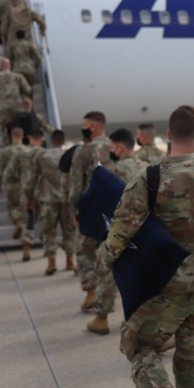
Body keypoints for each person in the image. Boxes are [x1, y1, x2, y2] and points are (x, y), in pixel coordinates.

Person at [100, 105, 194, 388]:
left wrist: (104, 260)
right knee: (190, 358)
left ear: (169, 135)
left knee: (142, 351)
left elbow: (120, 234)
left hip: (160, 290)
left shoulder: (149, 178)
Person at [86, 128, 147, 335]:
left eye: (111, 146)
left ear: (119, 147)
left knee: (106, 271)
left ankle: (101, 317)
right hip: (145, 232)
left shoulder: (113, 171)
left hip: (120, 232)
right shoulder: (149, 168)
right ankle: (142, 322)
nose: (110, 150)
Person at [69, 111, 112, 312]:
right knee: (111, 253)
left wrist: (74, 211)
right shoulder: (115, 147)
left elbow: (76, 185)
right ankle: (109, 297)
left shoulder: (84, 151)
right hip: (115, 211)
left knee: (84, 251)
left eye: (84, 124)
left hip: (92, 212)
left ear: (93, 127)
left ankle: (92, 293)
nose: (83, 128)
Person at [24, 130, 77, 275]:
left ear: (52, 141)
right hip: (66, 200)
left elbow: (32, 178)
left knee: (49, 232)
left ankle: (51, 262)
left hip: (48, 200)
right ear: (63, 140)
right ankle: (70, 260)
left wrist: (29, 198)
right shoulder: (70, 156)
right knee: (69, 231)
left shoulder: (42, 156)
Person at [6, 129, 45, 261]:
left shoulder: (20, 153)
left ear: (29, 138)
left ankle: (27, 248)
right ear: (42, 139)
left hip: (27, 191)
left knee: (29, 219)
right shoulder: (44, 154)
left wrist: (21, 179)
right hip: (43, 192)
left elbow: (10, 171)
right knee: (45, 220)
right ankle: (48, 249)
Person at [0, 127, 29, 239]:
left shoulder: (5, 152)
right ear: (22, 137)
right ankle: (26, 241)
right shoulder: (28, 151)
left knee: (12, 206)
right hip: (25, 185)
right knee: (24, 209)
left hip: (10, 185)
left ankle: (18, 222)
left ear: (11, 137)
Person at [0, 57, 31, 145]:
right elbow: (28, 90)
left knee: (4, 128)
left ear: (1, 66)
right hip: (17, 105)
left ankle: (7, 147)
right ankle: (21, 144)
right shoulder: (18, 76)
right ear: (10, 66)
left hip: (3, 106)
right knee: (19, 126)